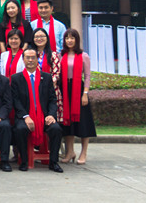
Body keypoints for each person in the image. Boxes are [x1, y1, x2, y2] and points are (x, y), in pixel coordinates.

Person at [11, 48, 64, 172]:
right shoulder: (16, 78)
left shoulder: (46, 77)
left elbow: (52, 100)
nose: (30, 60)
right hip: (25, 116)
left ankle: (53, 162)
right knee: (20, 129)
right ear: (23, 60)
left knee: (56, 129)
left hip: (44, 116)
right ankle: (24, 161)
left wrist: (51, 115)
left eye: (33, 57)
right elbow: (15, 101)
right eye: (27, 58)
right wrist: (25, 116)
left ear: (37, 60)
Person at [59, 29, 96, 165]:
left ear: (77, 40)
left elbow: (87, 76)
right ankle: (70, 152)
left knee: (83, 123)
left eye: (72, 38)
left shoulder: (83, 56)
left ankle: (83, 152)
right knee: (67, 123)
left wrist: (85, 93)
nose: (69, 41)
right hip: (64, 89)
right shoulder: (60, 55)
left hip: (78, 90)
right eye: (67, 38)